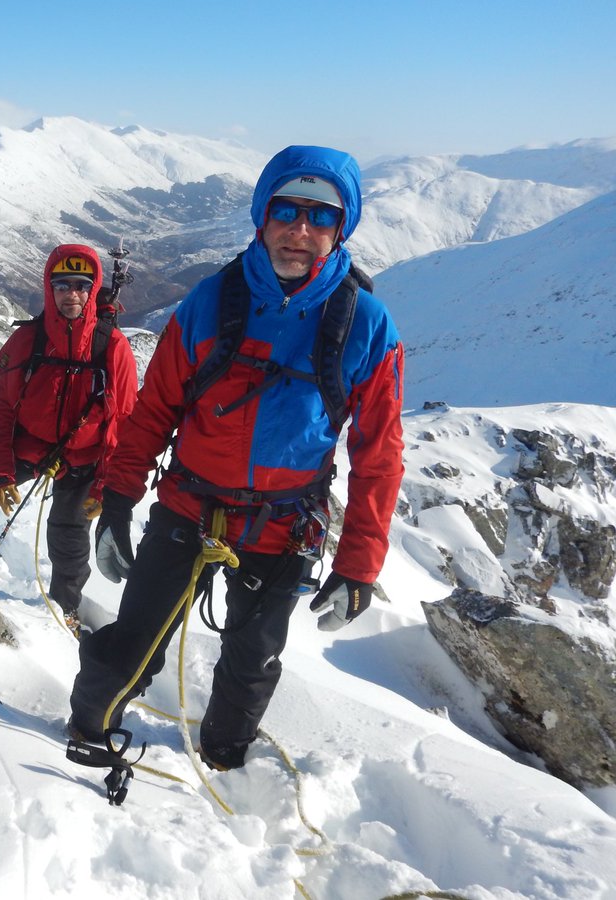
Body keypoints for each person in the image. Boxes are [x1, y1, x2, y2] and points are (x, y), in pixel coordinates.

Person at [67, 146, 405, 770]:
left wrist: (359, 566)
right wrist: (118, 501)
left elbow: (379, 454)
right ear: (262, 215)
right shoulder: (210, 301)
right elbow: (153, 411)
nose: (299, 229)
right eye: (285, 209)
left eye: (321, 215)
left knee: (252, 663)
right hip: (188, 505)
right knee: (132, 641)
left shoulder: (366, 325)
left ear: (342, 227)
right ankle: (87, 730)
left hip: (284, 524)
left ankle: (224, 758)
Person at [0, 243, 138, 628]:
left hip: (83, 456)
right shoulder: (27, 342)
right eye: (62, 285)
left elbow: (122, 423)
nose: (72, 294)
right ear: (49, 288)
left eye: (82, 285)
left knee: (68, 534)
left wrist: (105, 486)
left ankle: (65, 611)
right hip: (27, 444)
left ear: (93, 289)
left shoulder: (112, 348)